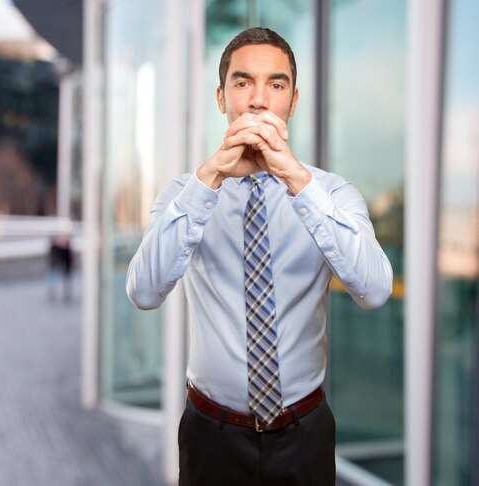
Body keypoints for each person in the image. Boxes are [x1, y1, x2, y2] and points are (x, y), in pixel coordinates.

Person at [126, 27, 393, 485]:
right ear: (221, 97)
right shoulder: (184, 194)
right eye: (242, 82)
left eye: (276, 84)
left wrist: (295, 179)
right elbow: (144, 291)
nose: (258, 100)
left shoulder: (331, 193)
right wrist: (209, 178)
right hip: (211, 435)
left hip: (304, 433)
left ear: (292, 100)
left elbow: (375, 289)